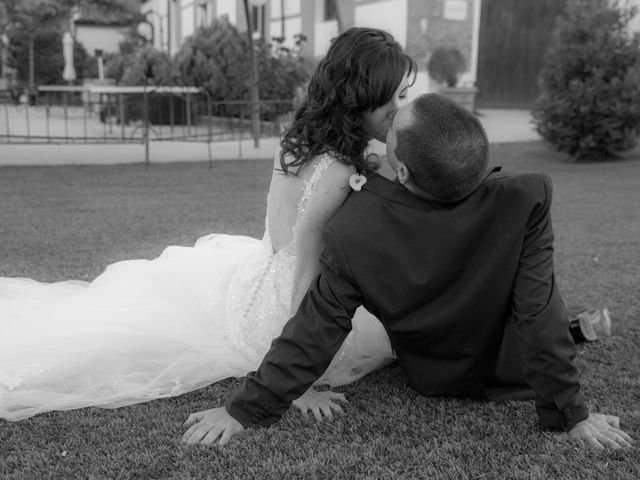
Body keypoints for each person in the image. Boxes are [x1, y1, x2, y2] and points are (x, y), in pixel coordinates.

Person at [0, 27, 416, 421]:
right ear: (359, 98)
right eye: (392, 100)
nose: (399, 111)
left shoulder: (302, 138)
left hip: (259, 273)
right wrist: (300, 382)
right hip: (288, 307)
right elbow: (307, 269)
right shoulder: (338, 173)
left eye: (405, 96)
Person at [181, 93, 633, 451]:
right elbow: (537, 309)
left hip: (436, 378)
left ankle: (576, 330)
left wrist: (244, 410)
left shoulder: (355, 229)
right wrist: (572, 414)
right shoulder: (525, 199)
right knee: (547, 313)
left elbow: (315, 328)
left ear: (405, 171)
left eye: (395, 127)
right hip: (512, 365)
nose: (391, 117)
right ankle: (576, 331)